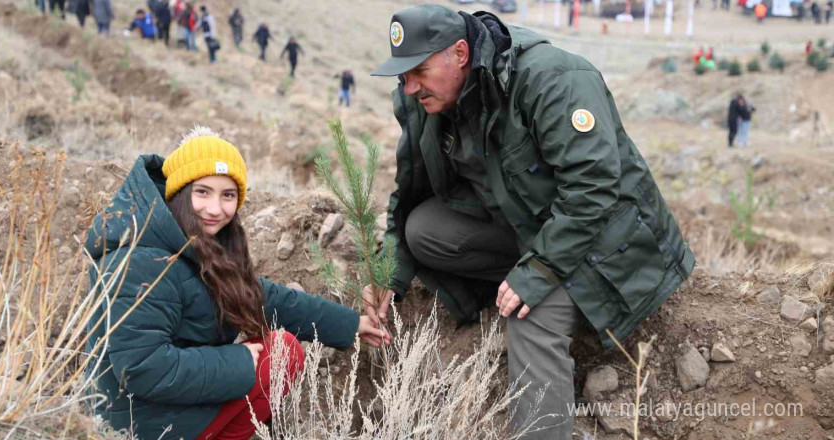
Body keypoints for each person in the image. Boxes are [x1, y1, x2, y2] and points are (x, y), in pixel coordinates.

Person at [368, 5, 694, 439]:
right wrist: (388, 269)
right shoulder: (425, 100)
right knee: (423, 231)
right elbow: (411, 191)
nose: (409, 87)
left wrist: (538, 271)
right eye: (401, 75)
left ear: (460, 53)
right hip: (531, 228)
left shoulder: (552, 79)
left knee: (529, 319)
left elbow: (593, 188)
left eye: (419, 71)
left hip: (607, 243)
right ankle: (524, 278)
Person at [84, 127, 390, 440]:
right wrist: (238, 362)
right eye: (202, 192)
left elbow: (263, 297)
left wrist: (351, 324)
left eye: (227, 195)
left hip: (165, 405)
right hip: (136, 422)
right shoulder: (141, 260)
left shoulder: (193, 241)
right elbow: (142, 367)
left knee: (283, 351)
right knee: (280, 353)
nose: (216, 209)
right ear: (178, 191)